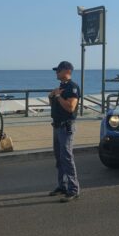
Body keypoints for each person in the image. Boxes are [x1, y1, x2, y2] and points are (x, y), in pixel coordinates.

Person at [48, 61, 81, 203]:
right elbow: (54, 105)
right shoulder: (61, 87)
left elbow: (70, 108)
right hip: (56, 125)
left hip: (66, 127)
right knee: (59, 157)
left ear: (67, 71)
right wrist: (52, 96)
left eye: (58, 70)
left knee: (67, 157)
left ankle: (74, 189)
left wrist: (57, 96)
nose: (56, 72)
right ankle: (62, 186)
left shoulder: (72, 87)